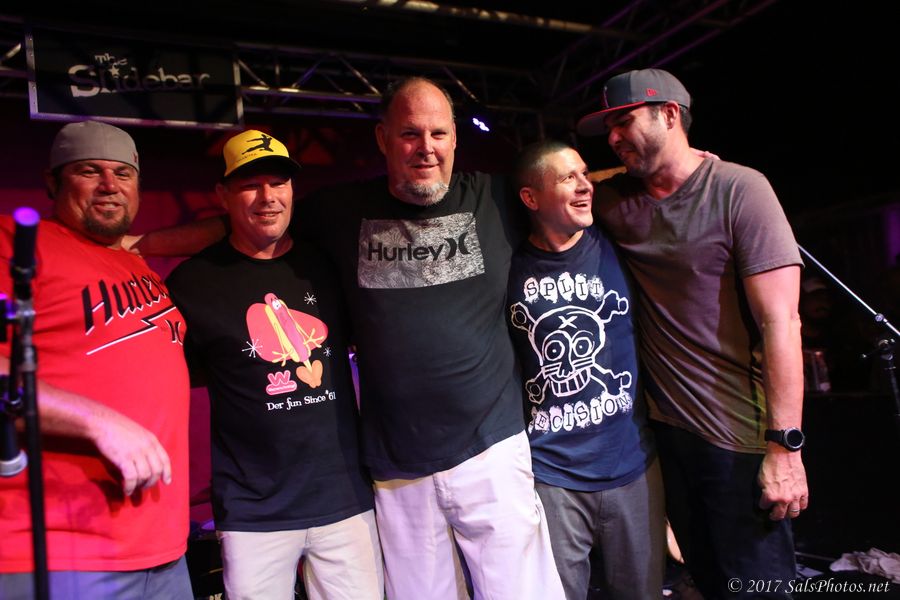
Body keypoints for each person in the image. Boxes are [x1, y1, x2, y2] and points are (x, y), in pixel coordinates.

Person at [294, 76, 564, 599]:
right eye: (410, 134)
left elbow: (571, 189)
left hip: (491, 450)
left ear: (455, 139)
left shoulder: (495, 197)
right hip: (399, 466)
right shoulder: (338, 211)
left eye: (439, 134)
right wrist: (139, 243)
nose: (426, 148)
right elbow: (246, 225)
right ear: (383, 138)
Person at [577, 68, 808, 599]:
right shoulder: (615, 201)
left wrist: (786, 449)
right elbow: (560, 185)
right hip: (665, 437)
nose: (613, 137)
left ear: (669, 115)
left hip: (738, 439)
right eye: (608, 128)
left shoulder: (739, 189)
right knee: (705, 582)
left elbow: (782, 323)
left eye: (624, 121)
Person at [164, 130, 383, 600]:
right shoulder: (192, 283)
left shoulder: (326, 264)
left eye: (278, 183)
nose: (268, 196)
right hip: (253, 512)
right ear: (222, 195)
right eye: (250, 185)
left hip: (345, 498)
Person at [0, 120, 192, 599]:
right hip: (63, 549)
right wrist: (96, 420)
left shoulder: (135, 263)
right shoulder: (17, 243)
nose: (109, 185)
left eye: (123, 174)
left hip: (163, 550)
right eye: (89, 171)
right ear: (52, 182)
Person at [506, 139, 665, 599]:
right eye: (567, 178)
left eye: (584, 173)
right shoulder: (508, 267)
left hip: (631, 464)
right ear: (531, 198)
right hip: (552, 474)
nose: (583, 186)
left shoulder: (619, 245)